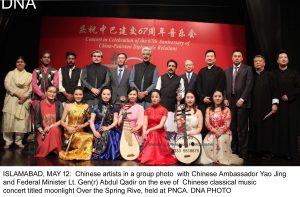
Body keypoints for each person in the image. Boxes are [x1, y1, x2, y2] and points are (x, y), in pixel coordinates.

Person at [224, 50, 253, 158]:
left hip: (242, 102)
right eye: (235, 56)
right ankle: (234, 149)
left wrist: (242, 99)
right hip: (230, 102)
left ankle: (243, 151)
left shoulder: (247, 69)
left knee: (242, 128)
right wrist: (225, 98)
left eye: (239, 56)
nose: (236, 58)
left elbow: (249, 85)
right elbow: (223, 86)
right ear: (232, 58)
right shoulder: (226, 71)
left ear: (242, 58)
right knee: (232, 128)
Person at [249, 55, 279, 159]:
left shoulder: (270, 75)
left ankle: (266, 151)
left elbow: (275, 90)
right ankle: (255, 151)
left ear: (264, 63)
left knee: (266, 129)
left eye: (260, 61)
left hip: (266, 107)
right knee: (254, 127)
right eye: (255, 61)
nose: (257, 62)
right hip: (254, 107)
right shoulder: (251, 76)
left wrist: (274, 104)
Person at [203, 90, 243, 165]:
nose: (217, 98)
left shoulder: (226, 109)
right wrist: (215, 131)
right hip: (213, 132)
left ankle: (221, 158)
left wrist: (220, 132)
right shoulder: (208, 109)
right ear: (213, 98)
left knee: (221, 140)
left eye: (219, 96)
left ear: (222, 98)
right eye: (215, 96)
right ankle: (213, 158)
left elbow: (227, 124)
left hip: (224, 132)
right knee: (207, 142)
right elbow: (207, 124)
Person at [273, 50, 300, 159]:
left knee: (291, 128)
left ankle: (291, 153)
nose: (283, 59)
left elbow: (298, 88)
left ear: (288, 60)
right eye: (281, 57)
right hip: (278, 105)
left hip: (291, 105)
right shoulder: (273, 73)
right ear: (277, 60)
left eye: (285, 57)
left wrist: (289, 96)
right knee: (279, 128)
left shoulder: (294, 73)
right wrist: (275, 101)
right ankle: (279, 152)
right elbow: (272, 89)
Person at [138, 89, 177, 165]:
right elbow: (145, 123)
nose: (154, 98)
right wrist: (144, 133)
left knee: (154, 134)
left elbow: (161, 125)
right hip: (150, 132)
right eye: (152, 97)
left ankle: (151, 157)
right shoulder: (147, 110)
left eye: (156, 97)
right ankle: (150, 157)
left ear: (160, 98)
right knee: (153, 134)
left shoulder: (164, 110)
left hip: (159, 132)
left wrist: (149, 130)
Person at [2, 56, 32, 149]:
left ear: (25, 64)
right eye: (18, 62)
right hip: (12, 98)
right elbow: (7, 84)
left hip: (23, 100)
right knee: (9, 120)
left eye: (22, 62)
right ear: (16, 63)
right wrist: (17, 94)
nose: (20, 63)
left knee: (20, 121)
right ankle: (8, 141)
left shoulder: (29, 75)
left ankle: (18, 141)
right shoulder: (10, 73)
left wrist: (24, 97)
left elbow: (31, 88)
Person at [176, 91, 213, 164]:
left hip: (195, 134)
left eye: (192, 97)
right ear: (185, 99)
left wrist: (190, 133)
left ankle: (193, 157)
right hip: (183, 134)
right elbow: (178, 127)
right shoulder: (181, 110)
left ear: (195, 99)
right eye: (188, 98)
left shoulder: (199, 112)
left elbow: (199, 128)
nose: (190, 100)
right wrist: (181, 122)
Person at [195, 49, 225, 137]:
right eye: (208, 56)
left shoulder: (220, 71)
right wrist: (203, 97)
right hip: (202, 103)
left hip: (215, 103)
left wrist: (212, 98)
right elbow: (198, 87)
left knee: (214, 123)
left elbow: (220, 86)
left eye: (211, 56)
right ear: (205, 59)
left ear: (215, 59)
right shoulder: (201, 71)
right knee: (203, 122)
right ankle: (204, 143)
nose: (209, 58)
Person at [155, 59, 185, 149]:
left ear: (176, 68)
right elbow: (157, 91)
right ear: (167, 67)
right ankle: (160, 147)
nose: (171, 67)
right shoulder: (161, 78)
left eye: (173, 66)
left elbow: (182, 92)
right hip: (161, 107)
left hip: (172, 107)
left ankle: (171, 148)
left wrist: (180, 97)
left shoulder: (180, 79)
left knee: (171, 129)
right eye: (169, 66)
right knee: (162, 129)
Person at [59, 87, 93, 160]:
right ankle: (81, 155)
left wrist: (82, 125)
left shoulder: (86, 106)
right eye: (76, 94)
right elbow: (61, 121)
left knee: (89, 136)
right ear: (73, 95)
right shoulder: (68, 106)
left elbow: (90, 120)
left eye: (80, 94)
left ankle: (82, 156)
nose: (78, 96)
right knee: (87, 137)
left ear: (83, 95)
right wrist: (68, 128)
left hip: (80, 131)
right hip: (69, 132)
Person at [89, 86, 121, 160]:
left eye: (108, 94)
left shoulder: (114, 107)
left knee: (106, 133)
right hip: (97, 126)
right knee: (97, 133)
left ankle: (99, 154)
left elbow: (115, 121)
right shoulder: (96, 107)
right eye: (104, 94)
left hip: (109, 127)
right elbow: (91, 121)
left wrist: (107, 128)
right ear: (101, 95)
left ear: (111, 96)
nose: (106, 96)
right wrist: (94, 131)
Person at [34, 86, 63, 158]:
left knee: (54, 130)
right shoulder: (39, 105)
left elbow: (62, 120)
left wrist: (50, 127)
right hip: (43, 131)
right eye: (50, 91)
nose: (52, 94)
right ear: (45, 92)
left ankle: (55, 150)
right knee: (41, 145)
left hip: (56, 130)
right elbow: (37, 123)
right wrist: (42, 131)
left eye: (54, 92)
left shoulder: (59, 104)